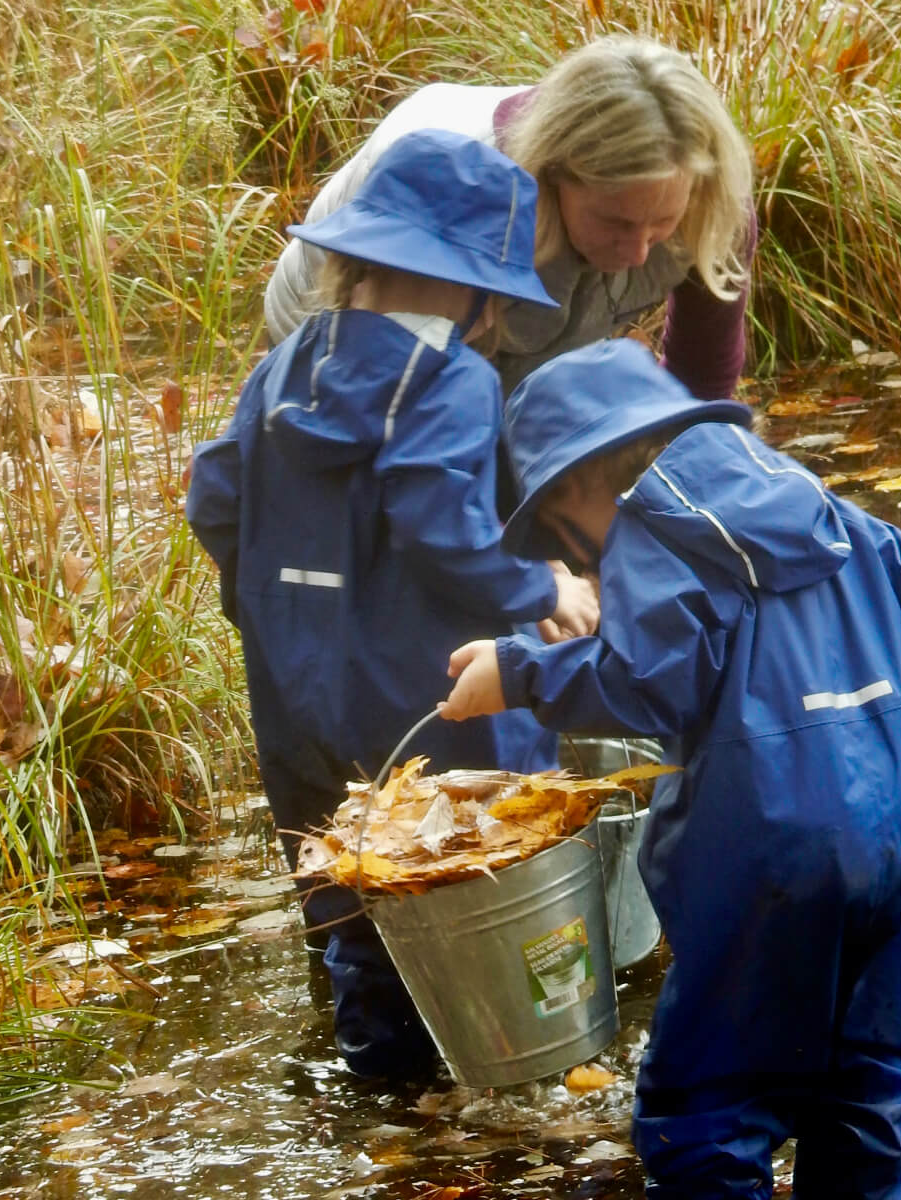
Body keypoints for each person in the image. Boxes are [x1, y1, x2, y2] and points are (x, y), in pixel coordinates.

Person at [438, 338, 901, 1200]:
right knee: (873, 1092)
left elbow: (650, 680)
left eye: (563, 531)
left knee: (704, 1113)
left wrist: (518, 673)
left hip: (769, 858)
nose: (585, 560)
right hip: (900, 845)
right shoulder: (824, 504)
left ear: (582, 481)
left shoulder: (648, 525)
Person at [185, 128, 599, 1078]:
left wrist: (266, 611)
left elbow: (214, 497)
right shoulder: (451, 379)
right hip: (431, 690)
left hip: (294, 692)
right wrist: (540, 586)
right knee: (479, 860)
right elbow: (439, 521)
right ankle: (512, 1071)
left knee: (346, 875)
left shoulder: (283, 367)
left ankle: (378, 1076)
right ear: (477, 284)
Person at [264, 35, 755, 401]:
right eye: (616, 222)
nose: (638, 253)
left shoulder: (710, 202)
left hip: (508, 331)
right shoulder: (464, 192)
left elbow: (702, 382)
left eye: (662, 222)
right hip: (338, 319)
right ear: (554, 172)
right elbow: (409, 406)